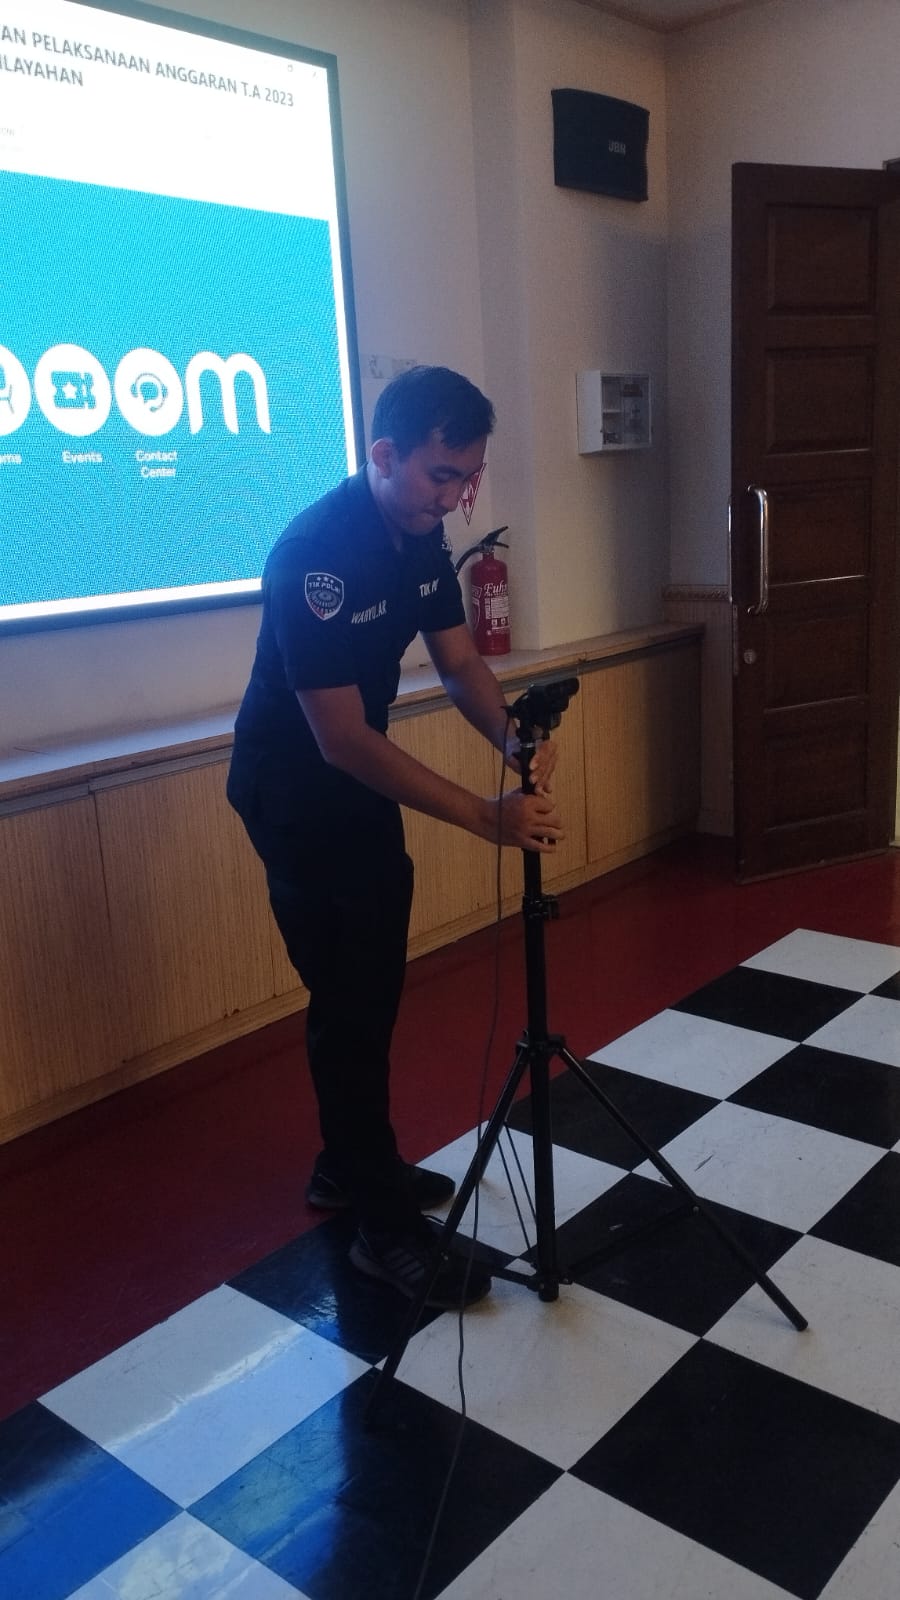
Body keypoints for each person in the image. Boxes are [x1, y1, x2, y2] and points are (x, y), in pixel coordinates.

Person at [227, 365, 562, 1310]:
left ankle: (350, 1165)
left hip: (353, 786)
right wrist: (485, 816)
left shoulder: (420, 533)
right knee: (350, 998)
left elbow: (457, 662)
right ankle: (379, 1225)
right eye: (440, 476)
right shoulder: (314, 558)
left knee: (370, 984)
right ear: (383, 454)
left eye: (466, 479)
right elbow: (338, 737)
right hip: (294, 793)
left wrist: (513, 741)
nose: (453, 498)